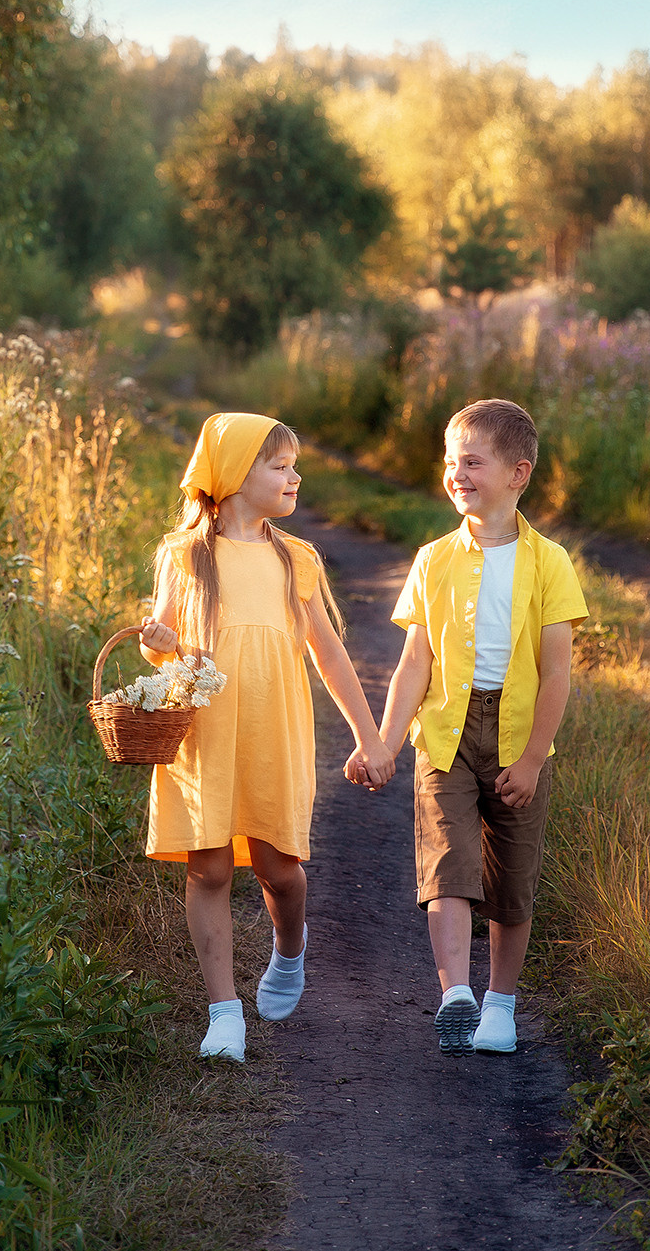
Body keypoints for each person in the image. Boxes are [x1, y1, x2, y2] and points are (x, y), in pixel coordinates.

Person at [139, 412, 384, 1063]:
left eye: (293, 465)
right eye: (280, 466)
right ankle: (223, 1013)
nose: (294, 476)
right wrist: (158, 642)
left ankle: (289, 948)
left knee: (281, 869)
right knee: (209, 866)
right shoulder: (184, 556)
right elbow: (162, 644)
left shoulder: (293, 557)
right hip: (204, 734)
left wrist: (369, 737)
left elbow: (328, 654)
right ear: (234, 476)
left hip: (273, 732)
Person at [349, 398, 587, 1055]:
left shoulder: (550, 562)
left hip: (517, 737)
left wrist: (533, 758)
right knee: (447, 864)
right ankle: (456, 993)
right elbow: (414, 662)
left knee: (511, 879)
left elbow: (557, 672)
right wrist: (384, 742)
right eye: (451, 461)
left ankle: (500, 1006)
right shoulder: (433, 559)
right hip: (445, 735)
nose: (457, 473)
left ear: (517, 473)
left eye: (473, 462)